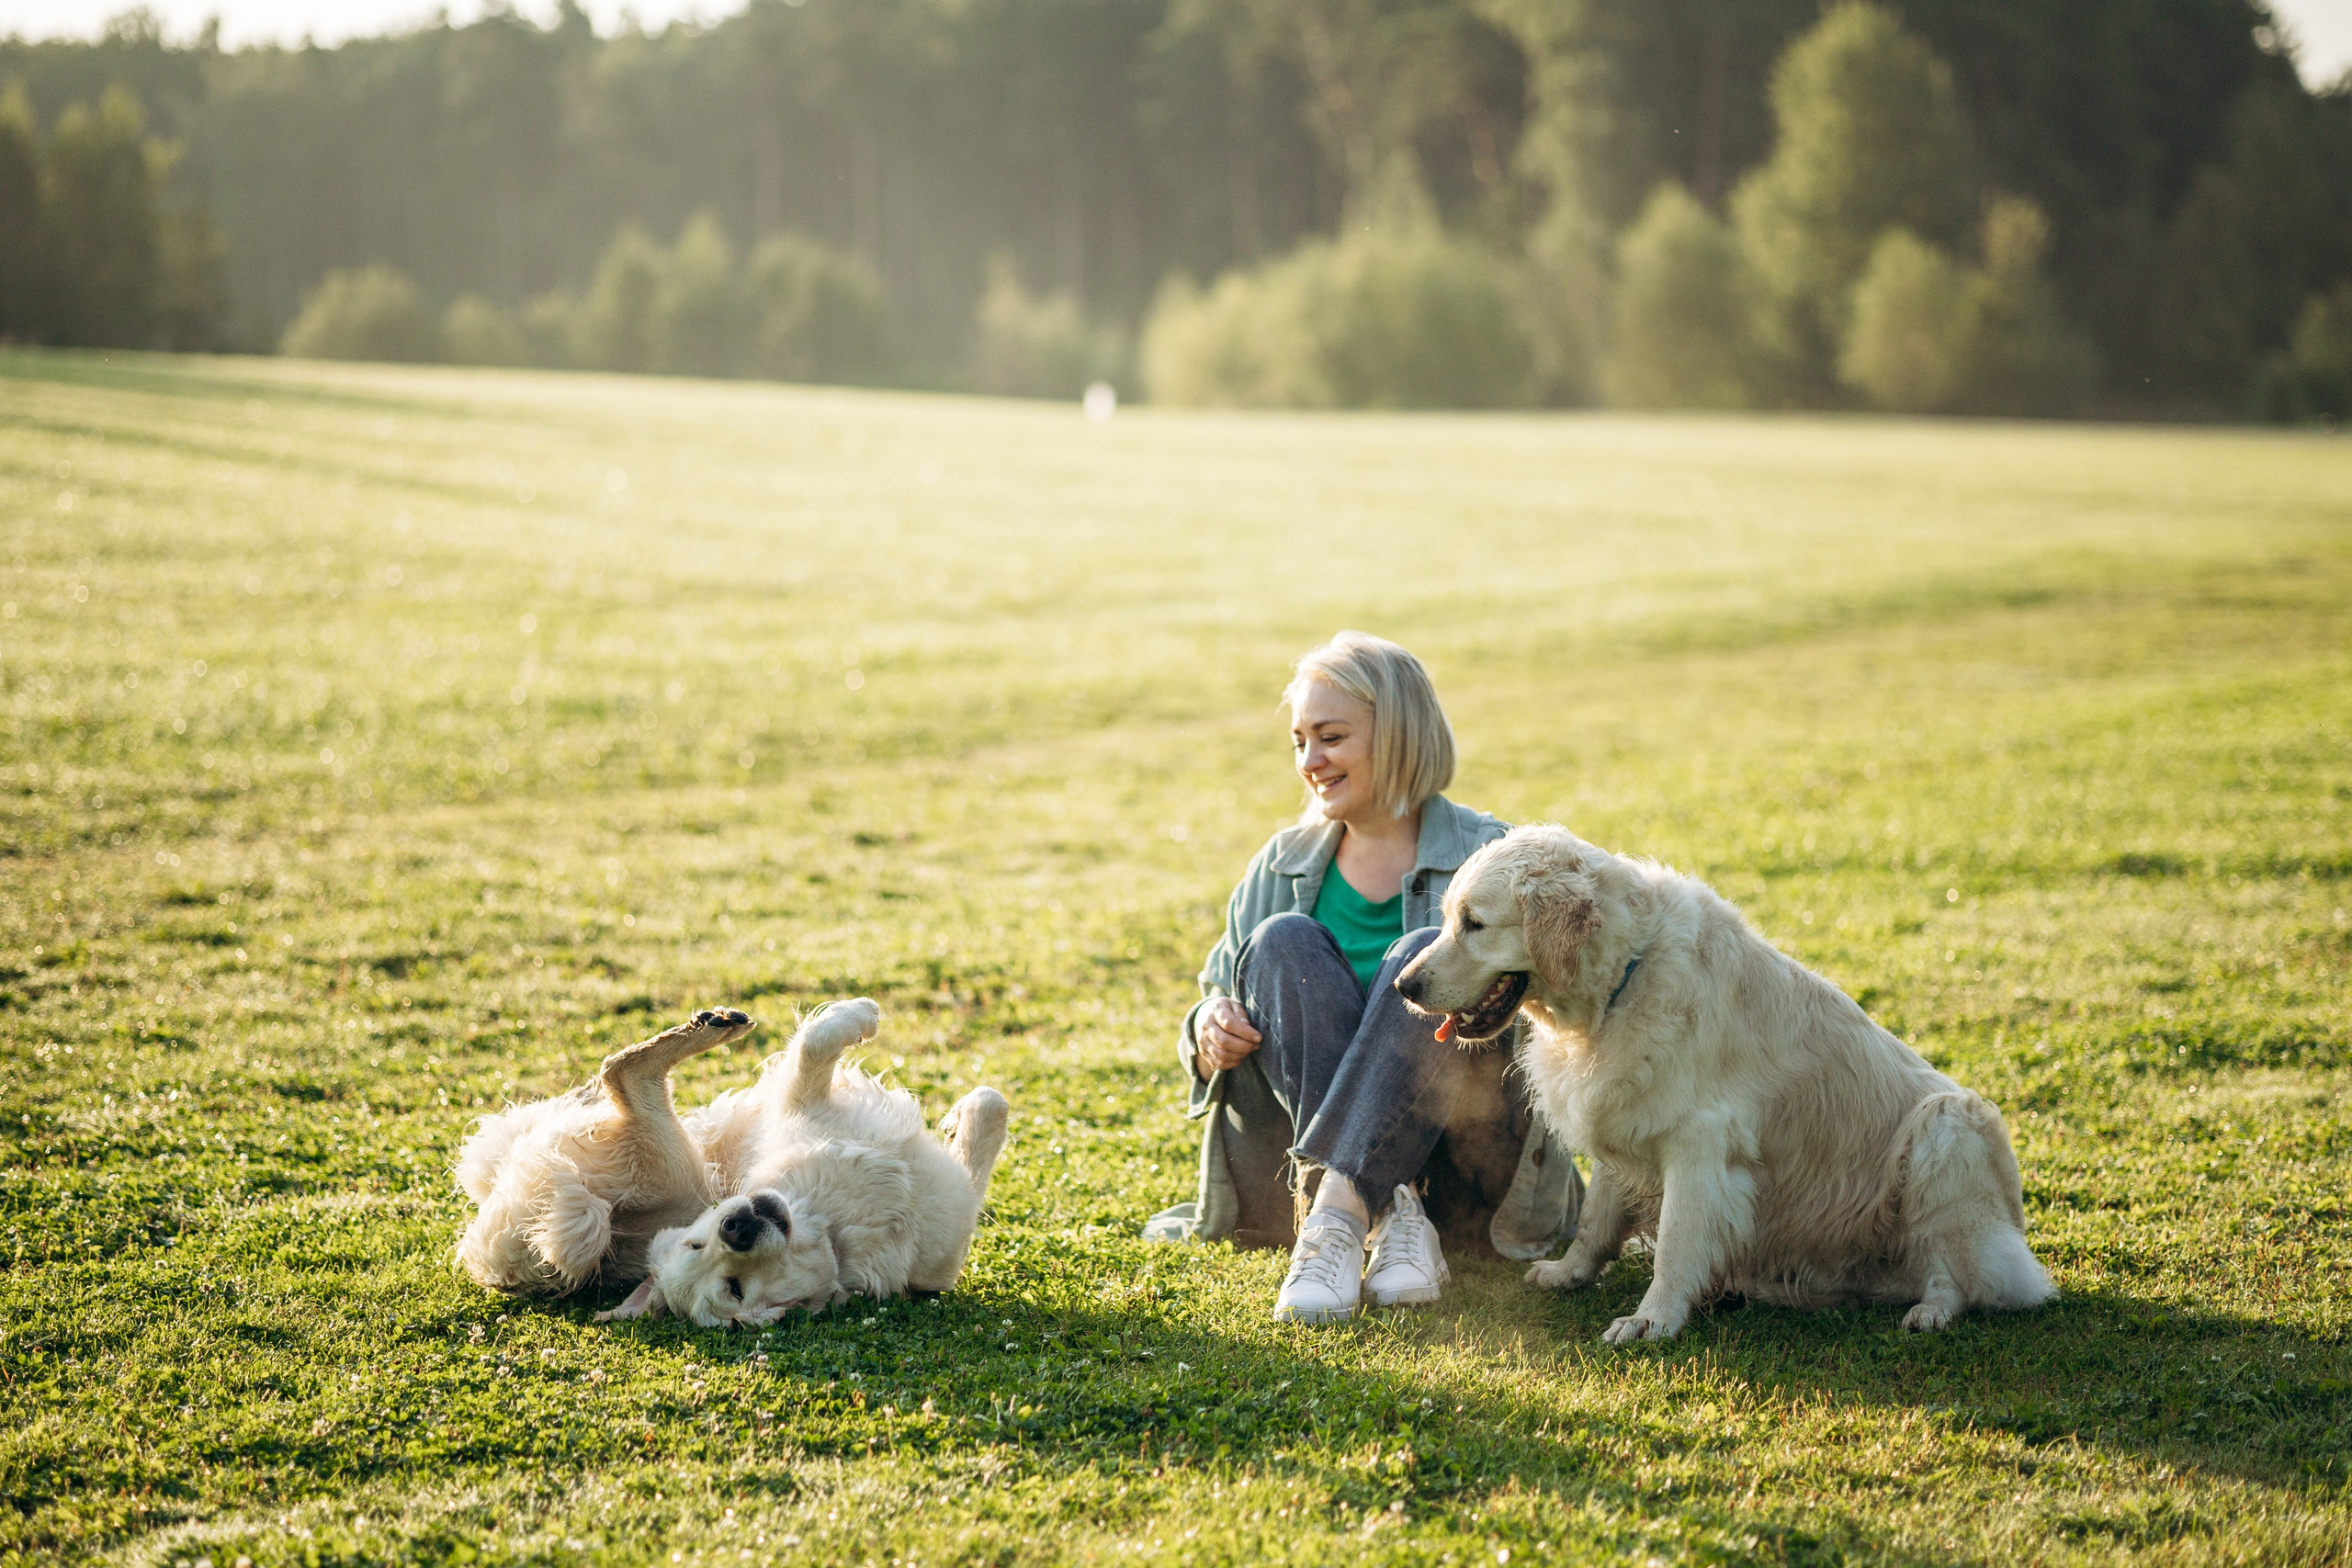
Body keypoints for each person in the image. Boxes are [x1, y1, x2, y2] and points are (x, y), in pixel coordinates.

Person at [1142, 631, 1579, 1323]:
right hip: (1285, 1172)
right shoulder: (1279, 865)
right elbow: (1213, 998)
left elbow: (1565, 1010)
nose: (1309, 761)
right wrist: (1207, 1028)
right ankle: (1377, 1210)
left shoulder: (1494, 856)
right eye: (1299, 741)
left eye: (1331, 737)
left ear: (1398, 734)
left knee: (1424, 951)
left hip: (1465, 1168)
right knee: (1280, 940)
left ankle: (1347, 1212)